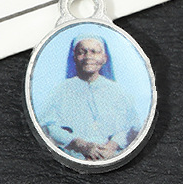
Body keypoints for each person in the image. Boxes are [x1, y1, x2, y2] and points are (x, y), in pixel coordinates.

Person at [39, 33, 141, 161]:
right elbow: (48, 127)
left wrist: (112, 146)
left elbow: (132, 127)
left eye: (94, 52)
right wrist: (80, 145)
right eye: (82, 52)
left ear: (104, 58)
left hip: (112, 155)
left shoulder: (117, 91)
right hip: (74, 156)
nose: (88, 57)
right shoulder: (61, 90)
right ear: (74, 57)